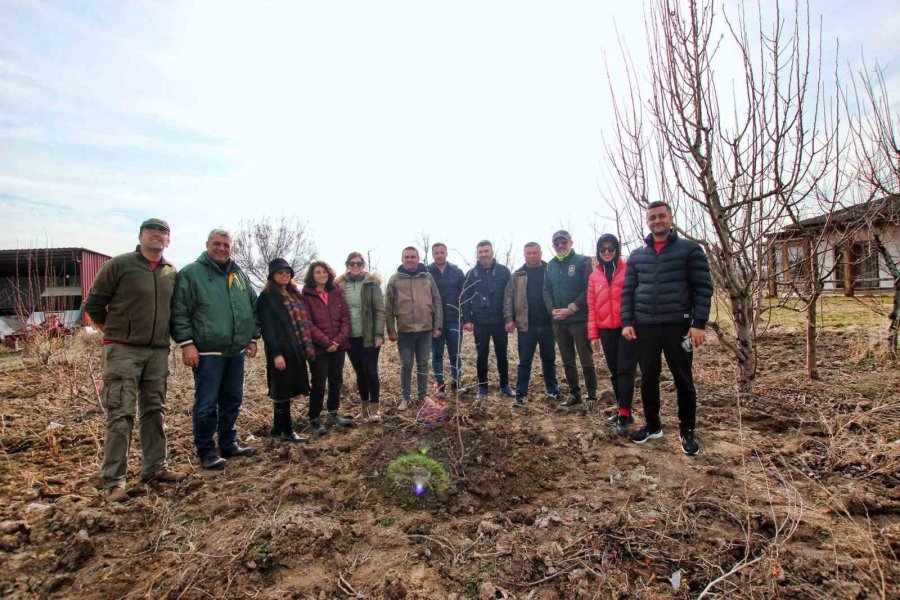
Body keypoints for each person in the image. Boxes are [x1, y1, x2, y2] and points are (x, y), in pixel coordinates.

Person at [83, 218, 186, 502]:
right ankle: (113, 481)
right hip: (122, 351)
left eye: (163, 232)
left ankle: (155, 467)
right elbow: (93, 304)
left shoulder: (170, 272)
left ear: (168, 240)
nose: (157, 235)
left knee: (155, 411)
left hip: (157, 352)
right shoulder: (119, 265)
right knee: (121, 414)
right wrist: (115, 331)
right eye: (151, 230)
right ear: (140, 236)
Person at [621, 201, 713, 455]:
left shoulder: (689, 249)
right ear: (647, 222)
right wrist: (627, 322)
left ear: (671, 219)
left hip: (679, 327)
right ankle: (653, 426)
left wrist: (699, 323)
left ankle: (687, 429)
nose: (657, 221)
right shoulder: (637, 255)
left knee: (683, 378)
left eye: (661, 216)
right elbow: (628, 291)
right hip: (645, 328)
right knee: (648, 377)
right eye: (652, 217)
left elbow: (703, 287)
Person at [172, 228, 260, 470]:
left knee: (233, 399)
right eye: (217, 244)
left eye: (226, 245)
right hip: (207, 352)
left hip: (235, 351)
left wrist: (252, 337)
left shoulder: (239, 275)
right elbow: (180, 311)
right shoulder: (191, 273)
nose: (222, 248)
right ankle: (206, 451)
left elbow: (252, 308)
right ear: (207, 244)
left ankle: (228, 443)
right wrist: (187, 343)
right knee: (207, 404)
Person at [256, 258, 316, 442]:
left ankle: (277, 427)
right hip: (280, 350)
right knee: (281, 389)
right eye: (280, 272)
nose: (285, 275)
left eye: (287, 272)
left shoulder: (293, 294)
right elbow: (267, 328)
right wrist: (276, 354)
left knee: (286, 388)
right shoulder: (267, 297)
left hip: (295, 347)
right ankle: (287, 430)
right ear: (272, 275)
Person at [587, 234, 636, 437]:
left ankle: (624, 414)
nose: (607, 252)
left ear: (617, 249)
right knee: (614, 371)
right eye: (603, 249)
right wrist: (593, 335)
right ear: (598, 252)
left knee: (625, 370)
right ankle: (623, 409)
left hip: (626, 328)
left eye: (611, 248)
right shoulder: (594, 277)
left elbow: (635, 298)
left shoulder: (628, 270)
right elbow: (592, 307)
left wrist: (632, 323)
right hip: (605, 329)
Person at [542, 230, 597, 409]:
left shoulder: (582, 261)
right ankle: (575, 394)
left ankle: (592, 397)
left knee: (586, 359)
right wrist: (552, 310)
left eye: (563, 242)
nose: (560, 245)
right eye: (556, 243)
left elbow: (589, 288)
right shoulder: (550, 265)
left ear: (570, 242)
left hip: (578, 319)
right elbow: (546, 290)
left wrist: (572, 308)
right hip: (559, 322)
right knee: (567, 360)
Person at [384, 247, 443, 411]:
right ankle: (405, 398)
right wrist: (390, 330)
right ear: (402, 259)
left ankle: (422, 396)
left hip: (425, 329)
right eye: (406, 257)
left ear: (418, 258)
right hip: (405, 330)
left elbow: (437, 302)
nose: (409, 259)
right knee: (406, 365)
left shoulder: (427, 277)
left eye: (412, 257)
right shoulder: (395, 280)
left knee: (423, 364)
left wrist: (437, 325)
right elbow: (388, 307)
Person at [504, 242, 559, 408]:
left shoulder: (551, 270)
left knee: (549, 359)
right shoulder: (517, 275)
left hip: (548, 324)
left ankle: (552, 390)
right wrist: (509, 319)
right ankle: (521, 394)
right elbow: (508, 298)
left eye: (535, 252)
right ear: (524, 255)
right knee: (524, 361)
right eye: (529, 253)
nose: (532, 256)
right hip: (526, 325)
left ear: (541, 253)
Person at [302, 261, 354, 435]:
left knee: (336, 380)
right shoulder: (306, 296)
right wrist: (326, 343)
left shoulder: (337, 292)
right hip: (319, 348)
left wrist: (337, 341)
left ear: (329, 274)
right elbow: (307, 323)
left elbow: (346, 319)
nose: (322, 275)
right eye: (318, 272)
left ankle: (333, 413)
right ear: (312, 275)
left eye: (324, 272)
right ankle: (314, 419)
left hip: (338, 346)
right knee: (319, 383)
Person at [335, 252, 385, 423]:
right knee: (360, 372)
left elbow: (379, 310)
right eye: (352, 263)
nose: (355, 266)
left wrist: (379, 334)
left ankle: (375, 410)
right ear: (347, 265)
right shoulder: (340, 285)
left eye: (359, 263)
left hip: (369, 335)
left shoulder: (372, 283)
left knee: (371, 371)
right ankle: (364, 409)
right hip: (350, 336)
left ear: (364, 265)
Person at [462, 240, 514, 399]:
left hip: (500, 321)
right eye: (481, 252)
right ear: (477, 254)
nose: (484, 254)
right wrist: (467, 319)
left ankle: (505, 385)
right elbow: (465, 298)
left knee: (502, 354)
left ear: (492, 252)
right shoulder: (471, 274)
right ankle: (482, 387)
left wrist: (510, 319)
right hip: (480, 322)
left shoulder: (504, 272)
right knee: (481, 355)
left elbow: (510, 296)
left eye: (486, 251)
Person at [427, 242, 466, 397]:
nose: (439, 255)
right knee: (437, 355)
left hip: (454, 320)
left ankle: (456, 384)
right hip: (435, 322)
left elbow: (465, 296)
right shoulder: (427, 273)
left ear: (446, 253)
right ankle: (440, 386)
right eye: (436, 253)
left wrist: (465, 317)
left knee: (455, 355)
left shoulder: (457, 272)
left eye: (441, 252)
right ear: (432, 254)